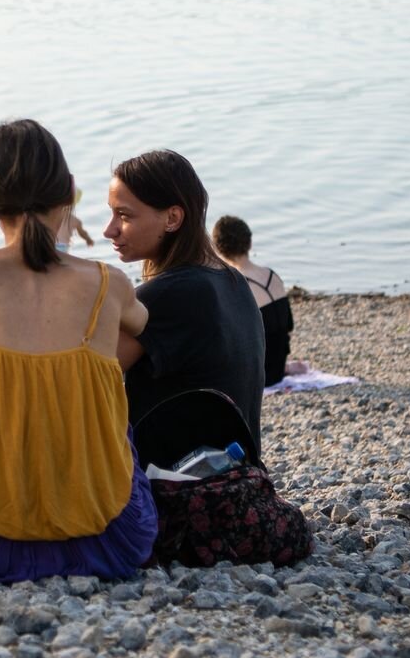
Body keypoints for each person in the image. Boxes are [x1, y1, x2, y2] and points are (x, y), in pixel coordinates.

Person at [0, 119, 156, 582]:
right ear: (68, 194)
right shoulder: (108, 283)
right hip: (108, 541)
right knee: (106, 344)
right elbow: (141, 322)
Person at [107, 148, 265, 454]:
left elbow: (83, 376)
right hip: (237, 473)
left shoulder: (170, 294)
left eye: (124, 215)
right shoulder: (232, 281)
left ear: (172, 218)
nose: (109, 229)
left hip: (180, 487)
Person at [211, 214, 297, 388]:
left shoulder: (232, 283)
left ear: (218, 249)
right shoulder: (272, 276)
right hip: (278, 368)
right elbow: (288, 325)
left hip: (257, 374)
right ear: (249, 243)